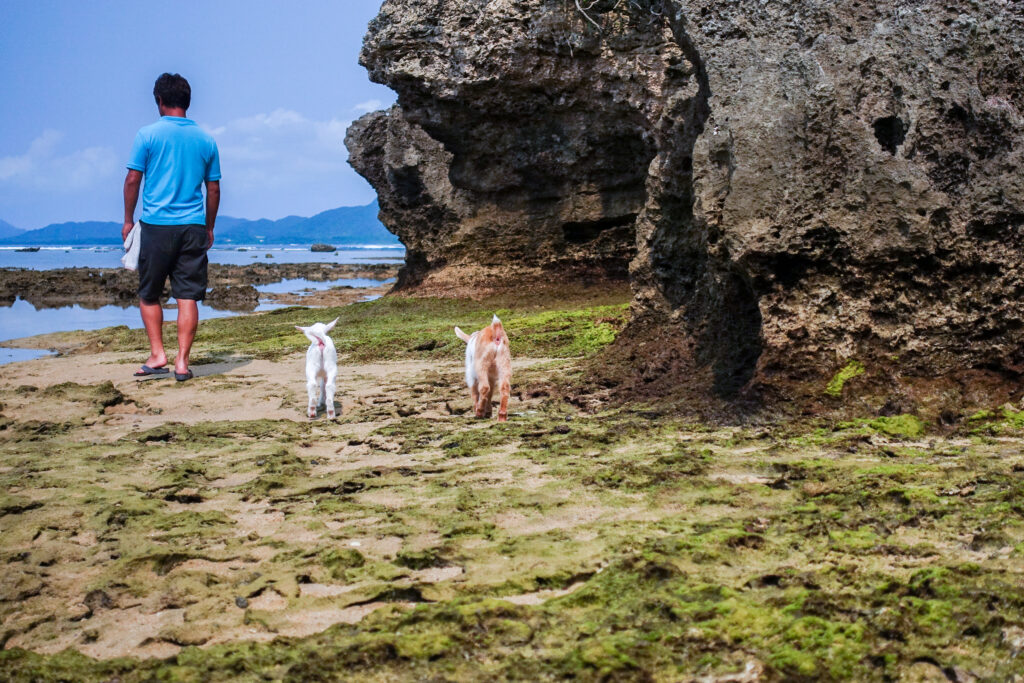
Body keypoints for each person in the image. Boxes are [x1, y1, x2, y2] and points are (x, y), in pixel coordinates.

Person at [122, 73, 221, 381]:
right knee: (187, 297)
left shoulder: (147, 135)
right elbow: (214, 189)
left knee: (149, 294)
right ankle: (181, 362)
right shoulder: (206, 139)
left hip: (156, 226)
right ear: (187, 101)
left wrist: (127, 220)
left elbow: (132, 180)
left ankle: (157, 354)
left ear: (160, 101)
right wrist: (209, 227)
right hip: (193, 226)